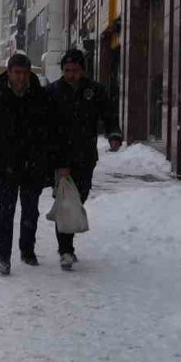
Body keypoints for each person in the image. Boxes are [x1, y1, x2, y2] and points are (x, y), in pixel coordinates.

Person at [0, 53, 55, 275]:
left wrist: (52, 160)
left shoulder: (40, 97)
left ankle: (27, 250)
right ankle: (3, 256)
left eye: (25, 72)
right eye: (17, 72)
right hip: (5, 163)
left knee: (30, 210)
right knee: (4, 211)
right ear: (8, 72)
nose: (21, 77)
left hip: (33, 163)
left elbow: (52, 131)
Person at [46, 49, 122, 270]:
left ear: (82, 70)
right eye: (67, 70)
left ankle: (67, 245)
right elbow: (44, 124)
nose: (71, 74)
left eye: (75, 70)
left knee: (80, 196)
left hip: (85, 155)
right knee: (65, 201)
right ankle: (65, 250)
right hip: (60, 156)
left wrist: (114, 134)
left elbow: (109, 114)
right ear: (62, 70)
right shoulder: (53, 91)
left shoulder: (94, 91)